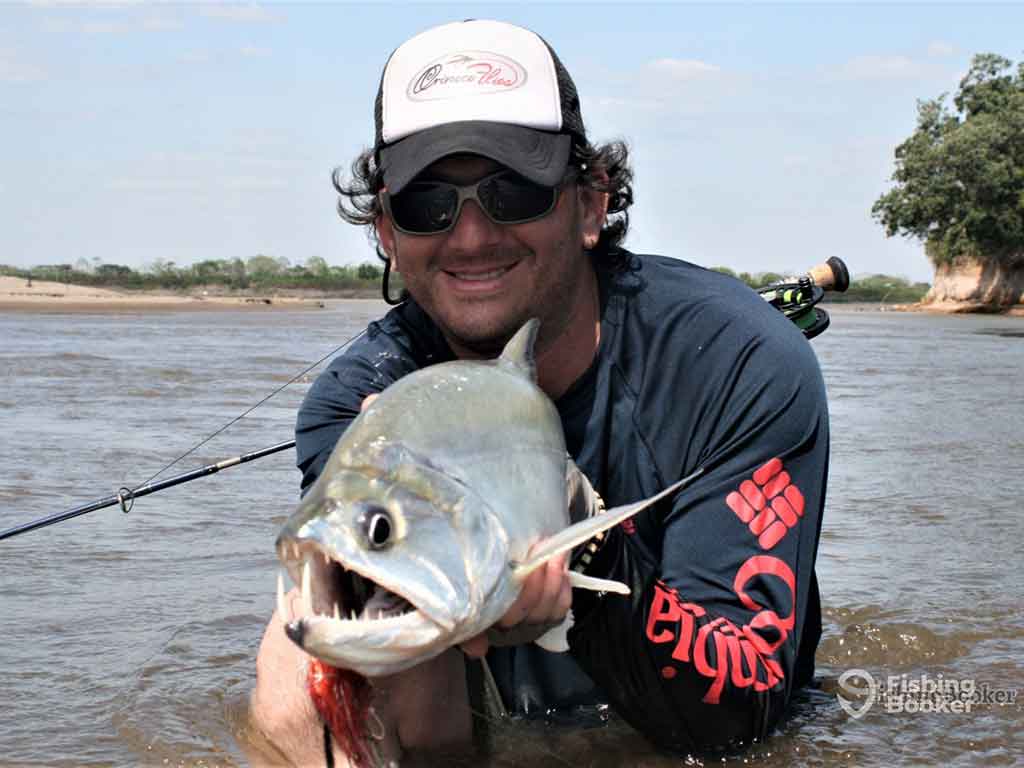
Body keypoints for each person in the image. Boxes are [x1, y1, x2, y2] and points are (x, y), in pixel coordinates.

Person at [249, 18, 828, 766]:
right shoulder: (356, 401)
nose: (469, 237)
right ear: (387, 230)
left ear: (590, 202)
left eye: (512, 192)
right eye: (428, 203)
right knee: (298, 658)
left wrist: (583, 556)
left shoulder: (742, 363)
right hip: (472, 704)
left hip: (684, 721)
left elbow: (742, 716)